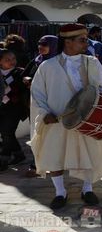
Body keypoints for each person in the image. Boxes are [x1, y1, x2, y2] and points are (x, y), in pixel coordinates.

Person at [30, 23, 102, 209]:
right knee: (55, 156)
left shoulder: (91, 62)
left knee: (88, 154)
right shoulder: (48, 66)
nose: (87, 43)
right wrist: (45, 113)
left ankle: (87, 189)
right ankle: (60, 192)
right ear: (68, 42)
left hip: (87, 119)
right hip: (57, 120)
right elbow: (37, 94)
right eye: (82, 40)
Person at [22, 35, 58, 177]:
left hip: (52, 105)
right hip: (35, 105)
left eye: (44, 44)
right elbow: (23, 75)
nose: (40, 47)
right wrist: (26, 79)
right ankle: (37, 163)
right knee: (36, 133)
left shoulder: (58, 63)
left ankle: (53, 164)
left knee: (51, 135)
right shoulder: (36, 61)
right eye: (39, 43)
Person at [0, 49, 29, 171]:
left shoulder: (20, 73)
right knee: (6, 133)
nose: (12, 62)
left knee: (7, 132)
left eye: (13, 59)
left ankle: (3, 159)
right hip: (1, 108)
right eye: (7, 60)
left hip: (15, 109)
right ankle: (18, 154)